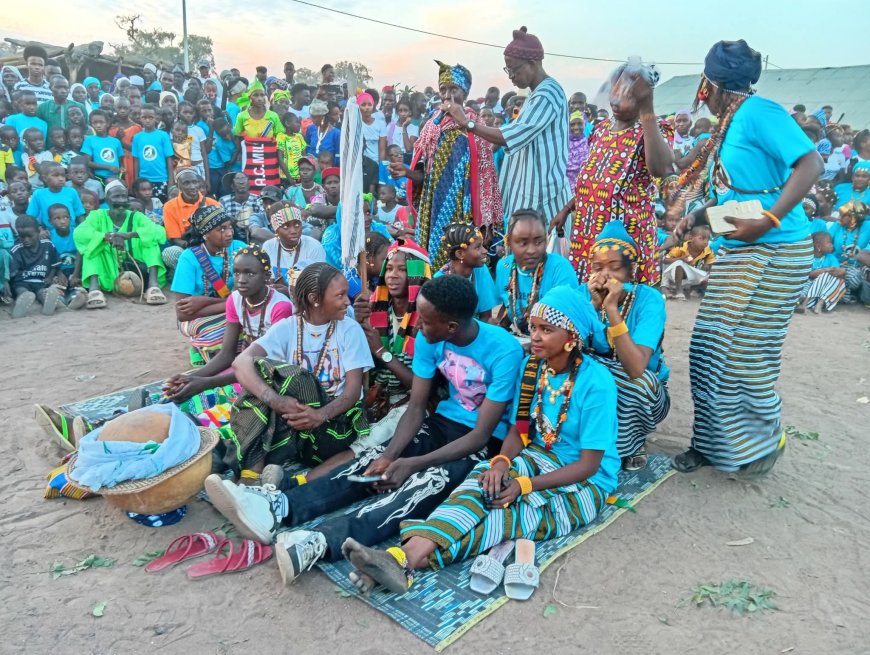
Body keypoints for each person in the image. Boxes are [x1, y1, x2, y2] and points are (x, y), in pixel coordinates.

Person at [202, 275, 524, 586]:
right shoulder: (431, 338)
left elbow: (481, 435)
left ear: (451, 327)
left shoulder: (504, 351)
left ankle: (318, 541)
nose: (419, 327)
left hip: (481, 445)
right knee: (371, 465)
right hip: (442, 423)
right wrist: (390, 455)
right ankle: (280, 507)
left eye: (425, 321)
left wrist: (412, 464)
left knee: (422, 486)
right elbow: (415, 407)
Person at [341, 285, 619, 594]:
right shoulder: (533, 369)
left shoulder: (597, 383)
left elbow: (589, 465)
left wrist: (524, 485)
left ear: (572, 338)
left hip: (587, 481)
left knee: (510, 516)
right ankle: (396, 563)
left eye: (547, 330)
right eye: (534, 328)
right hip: (537, 456)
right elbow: (517, 429)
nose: (535, 336)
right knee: (482, 481)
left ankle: (402, 559)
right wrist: (501, 462)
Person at [667, 40, 823, 476]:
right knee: (710, 350)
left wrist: (771, 217)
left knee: (744, 354)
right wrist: (695, 217)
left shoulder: (758, 113)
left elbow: (811, 165)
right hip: (742, 245)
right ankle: (713, 445)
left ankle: (758, 448)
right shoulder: (727, 123)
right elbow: (739, 196)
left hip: (776, 249)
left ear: (710, 83)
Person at [215, 261, 372, 481]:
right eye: (340, 295)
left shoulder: (349, 329)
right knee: (259, 377)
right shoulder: (288, 327)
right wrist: (275, 400)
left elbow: (352, 392)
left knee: (295, 379)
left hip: (333, 427)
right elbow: (241, 362)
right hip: (294, 427)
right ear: (315, 299)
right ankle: (252, 475)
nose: (348, 301)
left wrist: (320, 415)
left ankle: (254, 473)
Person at [551, 60, 674, 286]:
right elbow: (594, 181)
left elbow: (661, 168)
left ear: (643, 96)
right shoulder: (600, 130)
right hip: (588, 237)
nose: (616, 100)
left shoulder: (652, 131)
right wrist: (567, 209)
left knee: (624, 305)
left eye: (626, 94)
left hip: (625, 243)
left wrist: (648, 110)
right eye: (615, 91)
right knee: (590, 302)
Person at [440, 27, 570, 223]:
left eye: (513, 70)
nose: (510, 76)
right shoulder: (534, 95)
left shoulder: (548, 94)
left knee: (540, 252)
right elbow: (505, 138)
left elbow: (512, 135)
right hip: (527, 198)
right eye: (507, 70)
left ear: (532, 64)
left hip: (542, 202)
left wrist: (467, 122)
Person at [159, 246, 293, 432]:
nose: (241, 280)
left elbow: (272, 366)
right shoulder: (235, 300)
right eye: (236, 273)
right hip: (246, 366)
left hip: (274, 375)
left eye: (249, 274)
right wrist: (190, 377)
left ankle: (201, 429)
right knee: (185, 395)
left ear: (266, 275)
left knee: (228, 405)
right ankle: (165, 415)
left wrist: (206, 382)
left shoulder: (280, 307)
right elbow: (227, 354)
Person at [390, 62, 501, 267]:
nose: (448, 95)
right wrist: (406, 172)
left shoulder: (475, 127)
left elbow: (484, 178)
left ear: (465, 92)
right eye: (443, 89)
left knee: (459, 262)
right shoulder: (432, 127)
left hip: (462, 211)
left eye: (454, 89)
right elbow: (425, 177)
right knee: (429, 263)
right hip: (432, 209)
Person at [580, 221, 669, 470]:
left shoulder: (648, 299)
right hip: (594, 377)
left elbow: (636, 367)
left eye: (615, 267)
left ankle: (631, 443)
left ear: (631, 272)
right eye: (598, 268)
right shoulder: (583, 293)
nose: (605, 275)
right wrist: (593, 306)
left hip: (640, 386)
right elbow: (563, 344)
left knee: (636, 383)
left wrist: (611, 308)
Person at [349, 240, 432, 449]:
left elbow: (417, 384)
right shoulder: (374, 308)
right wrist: (357, 324)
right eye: (390, 268)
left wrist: (381, 351)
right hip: (376, 395)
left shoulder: (428, 320)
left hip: (411, 402)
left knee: (366, 445)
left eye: (402, 270)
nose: (392, 275)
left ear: (416, 275)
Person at [170, 205, 247, 365]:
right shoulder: (189, 258)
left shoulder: (240, 249)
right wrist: (233, 303)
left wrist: (204, 301)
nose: (229, 233)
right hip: (199, 317)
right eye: (221, 229)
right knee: (214, 332)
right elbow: (183, 315)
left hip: (215, 308)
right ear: (205, 234)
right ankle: (202, 350)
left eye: (230, 227)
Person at [73, 179, 168, 309]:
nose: (121, 200)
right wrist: (106, 237)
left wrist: (129, 235)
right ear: (106, 199)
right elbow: (80, 233)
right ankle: (94, 291)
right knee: (92, 247)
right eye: (116, 196)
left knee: (150, 242)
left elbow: (159, 231)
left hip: (136, 267)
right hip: (109, 267)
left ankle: (153, 287)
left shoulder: (136, 216)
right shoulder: (97, 215)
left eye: (124, 196)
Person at [495, 209, 578, 335]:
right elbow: (508, 305)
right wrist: (500, 327)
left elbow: (569, 322)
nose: (531, 250)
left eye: (538, 242)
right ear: (509, 242)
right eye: (523, 243)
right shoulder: (504, 267)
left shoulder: (560, 268)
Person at [435, 222, 499, 321]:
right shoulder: (439, 281)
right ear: (460, 254)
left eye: (482, 246)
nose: (485, 251)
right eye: (478, 247)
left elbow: (486, 317)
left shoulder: (481, 270)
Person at [161, 169, 221, 268]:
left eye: (194, 182)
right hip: (187, 248)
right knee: (170, 253)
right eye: (186, 183)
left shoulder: (212, 203)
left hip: (213, 247)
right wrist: (195, 248)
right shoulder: (169, 206)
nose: (192, 186)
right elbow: (175, 240)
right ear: (178, 186)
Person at [8, 214, 64, 317]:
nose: (26, 240)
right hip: (22, 281)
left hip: (41, 281)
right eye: (22, 236)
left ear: (38, 232)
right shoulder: (16, 249)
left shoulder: (48, 245)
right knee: (22, 291)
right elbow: (13, 273)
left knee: (42, 293)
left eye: (30, 236)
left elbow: (54, 264)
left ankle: (48, 304)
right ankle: (20, 304)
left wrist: (50, 277)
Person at [263, 204, 327, 293]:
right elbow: (268, 280)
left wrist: (290, 292)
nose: (293, 231)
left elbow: (317, 285)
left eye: (297, 225)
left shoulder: (314, 247)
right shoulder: (269, 246)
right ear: (276, 229)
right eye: (285, 226)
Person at [233, 88, 284, 193]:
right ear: (249, 98)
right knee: (252, 185)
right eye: (256, 95)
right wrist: (240, 150)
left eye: (262, 95)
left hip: (269, 158)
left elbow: (279, 135)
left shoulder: (273, 116)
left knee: (269, 186)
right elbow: (237, 134)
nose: (259, 98)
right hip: (251, 158)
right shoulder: (242, 116)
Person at [828, 199, 870, 304]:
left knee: (854, 280)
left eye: (843, 215)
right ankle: (844, 295)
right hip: (836, 263)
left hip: (857, 267)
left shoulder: (867, 227)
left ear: (853, 218)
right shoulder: (838, 225)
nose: (838, 218)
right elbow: (826, 240)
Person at [131, 104, 175, 201]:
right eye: (144, 117)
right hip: (144, 180)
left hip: (162, 179)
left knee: (161, 207)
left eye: (150, 117)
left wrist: (171, 181)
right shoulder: (137, 137)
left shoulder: (163, 135)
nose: (147, 120)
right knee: (145, 207)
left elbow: (168, 159)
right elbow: (136, 160)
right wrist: (136, 179)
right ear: (140, 119)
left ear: (156, 118)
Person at [796, 231, 846, 314]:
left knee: (832, 276)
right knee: (824, 273)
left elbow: (836, 271)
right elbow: (810, 274)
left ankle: (817, 303)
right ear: (818, 246)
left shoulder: (830, 257)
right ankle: (807, 303)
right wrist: (825, 270)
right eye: (829, 243)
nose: (832, 245)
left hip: (824, 290)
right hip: (810, 287)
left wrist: (840, 271)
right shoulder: (808, 257)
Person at [661, 225, 715, 300]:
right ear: (691, 238)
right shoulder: (681, 247)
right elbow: (665, 260)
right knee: (679, 263)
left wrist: (707, 264)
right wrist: (681, 258)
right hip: (676, 275)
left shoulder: (708, 251)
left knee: (708, 277)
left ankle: (695, 289)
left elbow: (711, 264)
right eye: (702, 238)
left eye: (707, 239)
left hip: (693, 276)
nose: (706, 242)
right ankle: (679, 291)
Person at [36, 76, 85, 144]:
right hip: (52, 149)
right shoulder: (42, 108)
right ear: (51, 88)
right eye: (58, 87)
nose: (63, 91)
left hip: (75, 149)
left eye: (66, 88)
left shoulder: (80, 107)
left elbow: (85, 129)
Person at [81, 110, 124, 181]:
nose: (98, 125)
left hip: (115, 177)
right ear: (91, 124)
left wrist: (122, 169)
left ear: (107, 123)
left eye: (101, 122)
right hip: (98, 177)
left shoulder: (116, 141)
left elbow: (120, 162)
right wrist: (108, 167)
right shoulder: (89, 140)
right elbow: (87, 162)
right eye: (95, 123)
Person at [304, 99, 340, 164]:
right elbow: (307, 147)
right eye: (311, 116)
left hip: (327, 169)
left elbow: (337, 157)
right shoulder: (310, 128)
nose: (312, 119)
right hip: (310, 168)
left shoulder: (336, 133)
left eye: (314, 117)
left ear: (323, 117)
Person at [276, 112, 307, 183]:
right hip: (286, 177)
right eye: (297, 122)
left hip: (300, 177)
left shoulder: (299, 136)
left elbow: (304, 157)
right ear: (287, 123)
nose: (299, 125)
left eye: (299, 122)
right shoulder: (281, 136)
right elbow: (280, 159)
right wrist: (289, 178)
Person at [566, 111, 589, 186]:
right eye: (572, 124)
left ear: (585, 124)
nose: (576, 128)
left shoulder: (590, 142)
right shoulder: (563, 143)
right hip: (566, 188)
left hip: (585, 185)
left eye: (579, 124)